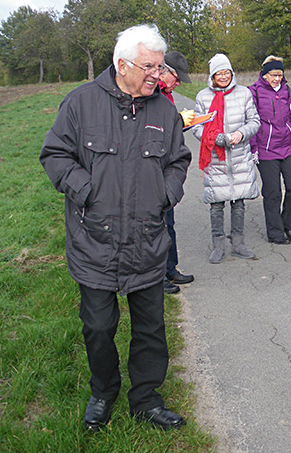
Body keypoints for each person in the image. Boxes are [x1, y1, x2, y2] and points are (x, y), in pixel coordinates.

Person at [39, 24, 191, 431]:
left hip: (147, 241)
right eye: (149, 67)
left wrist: (166, 193)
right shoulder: (80, 104)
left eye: (160, 67)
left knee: (151, 329)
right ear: (121, 65)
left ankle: (146, 399)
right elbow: (54, 155)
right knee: (99, 328)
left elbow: (178, 160)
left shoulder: (163, 110)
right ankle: (103, 393)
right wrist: (85, 190)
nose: (157, 75)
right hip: (95, 243)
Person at [193, 53, 260, 263]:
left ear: (232, 73)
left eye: (226, 72)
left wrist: (241, 133)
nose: (223, 76)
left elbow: (255, 121)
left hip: (239, 156)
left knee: (239, 202)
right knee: (216, 203)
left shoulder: (244, 94)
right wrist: (215, 138)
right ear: (212, 76)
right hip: (215, 157)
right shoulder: (203, 97)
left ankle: (238, 243)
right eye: (219, 73)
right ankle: (218, 245)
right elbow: (197, 126)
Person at [249, 55, 291, 245]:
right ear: (265, 75)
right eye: (273, 75)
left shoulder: (286, 90)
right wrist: (253, 149)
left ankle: (287, 225)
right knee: (273, 192)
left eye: (280, 75)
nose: (277, 79)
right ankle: (275, 232)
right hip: (266, 150)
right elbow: (251, 122)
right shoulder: (254, 92)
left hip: (288, 146)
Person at [157, 51, 195, 294]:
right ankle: (157, 276)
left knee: (169, 222)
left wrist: (183, 123)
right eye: (176, 77)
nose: (178, 82)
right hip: (155, 168)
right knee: (157, 225)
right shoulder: (153, 93)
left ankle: (171, 269)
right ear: (164, 70)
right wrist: (179, 122)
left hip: (168, 164)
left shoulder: (167, 94)